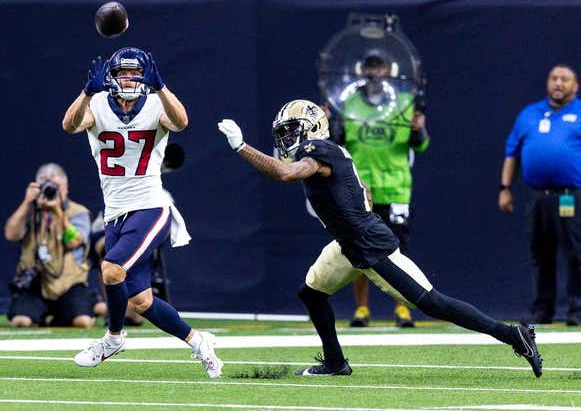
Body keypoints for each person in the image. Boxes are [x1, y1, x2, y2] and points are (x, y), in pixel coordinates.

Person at [217, 100, 542, 378]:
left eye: (292, 130)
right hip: (348, 244)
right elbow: (360, 192)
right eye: (283, 132)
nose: (287, 137)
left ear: (312, 128)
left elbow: (285, 173)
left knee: (433, 303)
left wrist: (241, 147)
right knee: (312, 294)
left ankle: (514, 336)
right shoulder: (326, 150)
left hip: (369, 244)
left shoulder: (320, 150)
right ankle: (334, 363)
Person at [61, 47, 222, 378]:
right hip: (115, 214)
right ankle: (198, 341)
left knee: (110, 269)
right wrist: (85, 92)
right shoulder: (97, 105)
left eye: (136, 73)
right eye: (124, 73)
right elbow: (70, 125)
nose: (130, 79)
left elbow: (181, 121)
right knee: (141, 302)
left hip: (150, 206)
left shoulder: (154, 104)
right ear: (112, 78)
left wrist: (162, 87)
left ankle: (113, 338)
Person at [330, 55, 429, 328]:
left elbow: (420, 145)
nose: (375, 72)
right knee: (359, 250)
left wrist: (418, 130)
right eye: (370, 67)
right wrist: (329, 123)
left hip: (396, 189)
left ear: (388, 71)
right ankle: (362, 309)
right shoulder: (348, 103)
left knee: (399, 252)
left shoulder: (403, 102)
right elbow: (337, 143)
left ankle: (402, 309)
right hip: (360, 189)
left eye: (380, 67)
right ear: (363, 71)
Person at [499, 64, 580, 327]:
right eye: (554, 78)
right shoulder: (529, 114)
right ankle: (542, 309)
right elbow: (512, 152)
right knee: (541, 253)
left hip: (570, 196)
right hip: (538, 197)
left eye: (564, 79)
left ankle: (577, 310)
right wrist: (505, 188)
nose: (558, 83)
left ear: (575, 86)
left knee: (575, 252)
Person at [4, 163, 95, 328]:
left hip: (69, 284)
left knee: (83, 322)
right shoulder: (30, 211)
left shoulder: (78, 212)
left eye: (56, 186)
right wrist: (27, 202)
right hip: (35, 283)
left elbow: (74, 242)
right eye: (46, 186)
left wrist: (57, 211)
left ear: (66, 187)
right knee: (21, 322)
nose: (52, 191)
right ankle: (37, 316)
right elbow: (11, 234)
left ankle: (67, 315)